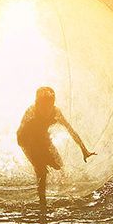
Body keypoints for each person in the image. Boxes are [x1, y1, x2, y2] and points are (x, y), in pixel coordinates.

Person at [16, 85, 94, 215]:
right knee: (42, 172)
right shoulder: (31, 113)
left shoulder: (55, 112)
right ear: (37, 104)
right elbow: (21, 136)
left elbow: (70, 130)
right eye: (43, 106)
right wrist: (36, 157)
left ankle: (66, 196)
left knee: (58, 166)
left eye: (49, 105)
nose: (46, 109)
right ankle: (43, 207)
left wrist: (84, 150)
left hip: (43, 139)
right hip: (27, 140)